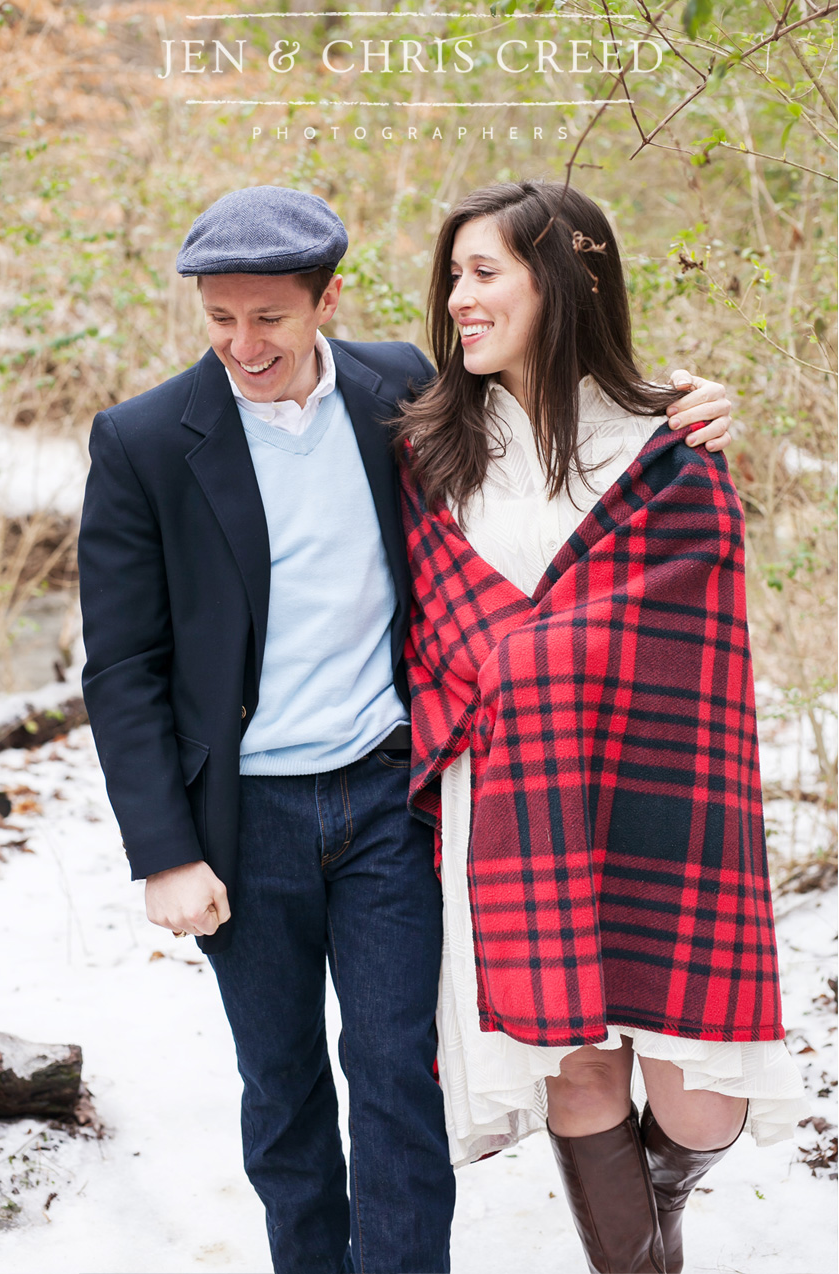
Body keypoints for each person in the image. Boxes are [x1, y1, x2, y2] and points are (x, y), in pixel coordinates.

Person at [76, 185, 736, 1272]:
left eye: (270, 318)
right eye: (220, 318)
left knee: (397, 1076)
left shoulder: (402, 390)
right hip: (243, 820)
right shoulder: (145, 440)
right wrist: (165, 850)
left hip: (389, 799)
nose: (244, 344)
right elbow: (123, 665)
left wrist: (685, 400)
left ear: (325, 299)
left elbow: (554, 400)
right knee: (282, 1088)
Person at [396, 180, 804, 1273]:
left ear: (565, 278)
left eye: (483, 272)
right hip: (512, 805)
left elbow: (700, 644)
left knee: (704, 1096)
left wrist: (534, 657)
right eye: (453, 274)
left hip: (661, 790)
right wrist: (527, 667)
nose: (457, 297)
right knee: (574, 1067)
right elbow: (440, 637)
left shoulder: (671, 447)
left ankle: (657, 1198)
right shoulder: (431, 448)